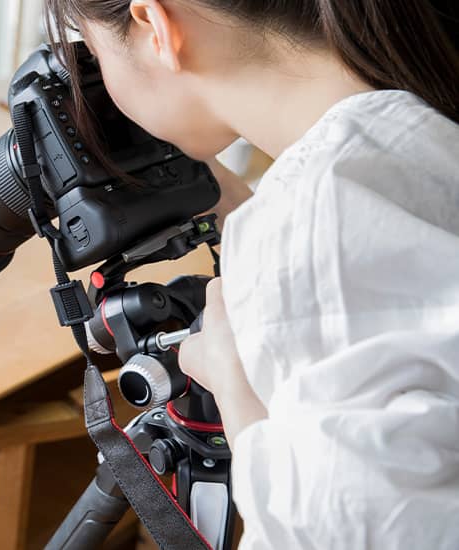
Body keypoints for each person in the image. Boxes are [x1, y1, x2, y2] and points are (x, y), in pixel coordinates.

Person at [44, 0, 459, 548]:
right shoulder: (413, 131)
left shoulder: (316, 219)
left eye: (94, 53)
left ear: (153, 24)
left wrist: (236, 391)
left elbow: (353, 531)